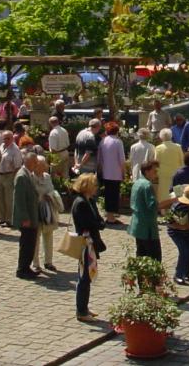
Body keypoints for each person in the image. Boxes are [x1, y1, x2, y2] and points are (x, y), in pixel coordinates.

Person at [70, 173, 106, 321]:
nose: (96, 188)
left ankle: (84, 307)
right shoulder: (80, 203)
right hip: (85, 243)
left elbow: (98, 219)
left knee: (87, 276)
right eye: (94, 185)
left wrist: (99, 223)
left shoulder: (89, 201)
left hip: (92, 241)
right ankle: (81, 311)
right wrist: (99, 224)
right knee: (84, 277)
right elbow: (89, 223)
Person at [128, 161, 178, 261]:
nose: (156, 173)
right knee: (154, 258)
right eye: (154, 171)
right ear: (147, 171)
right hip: (147, 228)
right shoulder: (147, 185)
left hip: (138, 225)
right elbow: (155, 206)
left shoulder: (137, 182)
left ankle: (141, 277)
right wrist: (175, 200)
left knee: (141, 256)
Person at [13, 153, 43, 279]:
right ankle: (22, 269)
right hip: (27, 218)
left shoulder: (28, 174)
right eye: (35, 162)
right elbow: (20, 200)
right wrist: (25, 218)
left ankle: (27, 267)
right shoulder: (21, 176)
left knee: (31, 244)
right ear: (29, 162)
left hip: (32, 216)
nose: (37, 164)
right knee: (26, 244)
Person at [31, 155, 61, 272]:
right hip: (36, 210)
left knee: (48, 236)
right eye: (44, 165)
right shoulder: (31, 177)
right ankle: (35, 264)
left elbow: (51, 190)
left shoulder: (47, 177)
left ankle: (48, 262)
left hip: (48, 210)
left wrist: (50, 195)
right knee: (36, 237)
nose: (46, 167)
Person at [96, 122, 126, 224]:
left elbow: (99, 158)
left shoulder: (102, 141)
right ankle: (111, 217)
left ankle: (109, 215)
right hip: (116, 173)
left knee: (108, 194)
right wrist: (123, 172)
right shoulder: (118, 142)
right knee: (114, 195)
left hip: (105, 172)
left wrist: (100, 170)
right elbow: (122, 160)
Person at [0, 130, 24, 227]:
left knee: (9, 199)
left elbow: (17, 166)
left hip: (9, 175)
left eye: (8, 138)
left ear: (12, 138)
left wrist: (14, 178)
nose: (5, 140)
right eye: (4, 138)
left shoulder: (15, 150)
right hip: (0, 174)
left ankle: (10, 219)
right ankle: (2, 217)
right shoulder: (2, 146)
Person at [154, 128, 183, 204]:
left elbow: (156, 162)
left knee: (163, 193)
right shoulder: (178, 147)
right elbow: (182, 161)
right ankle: (178, 207)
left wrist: (156, 173)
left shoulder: (158, 148)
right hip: (176, 173)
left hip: (163, 174)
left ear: (161, 137)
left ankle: (163, 210)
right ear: (171, 136)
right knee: (177, 192)